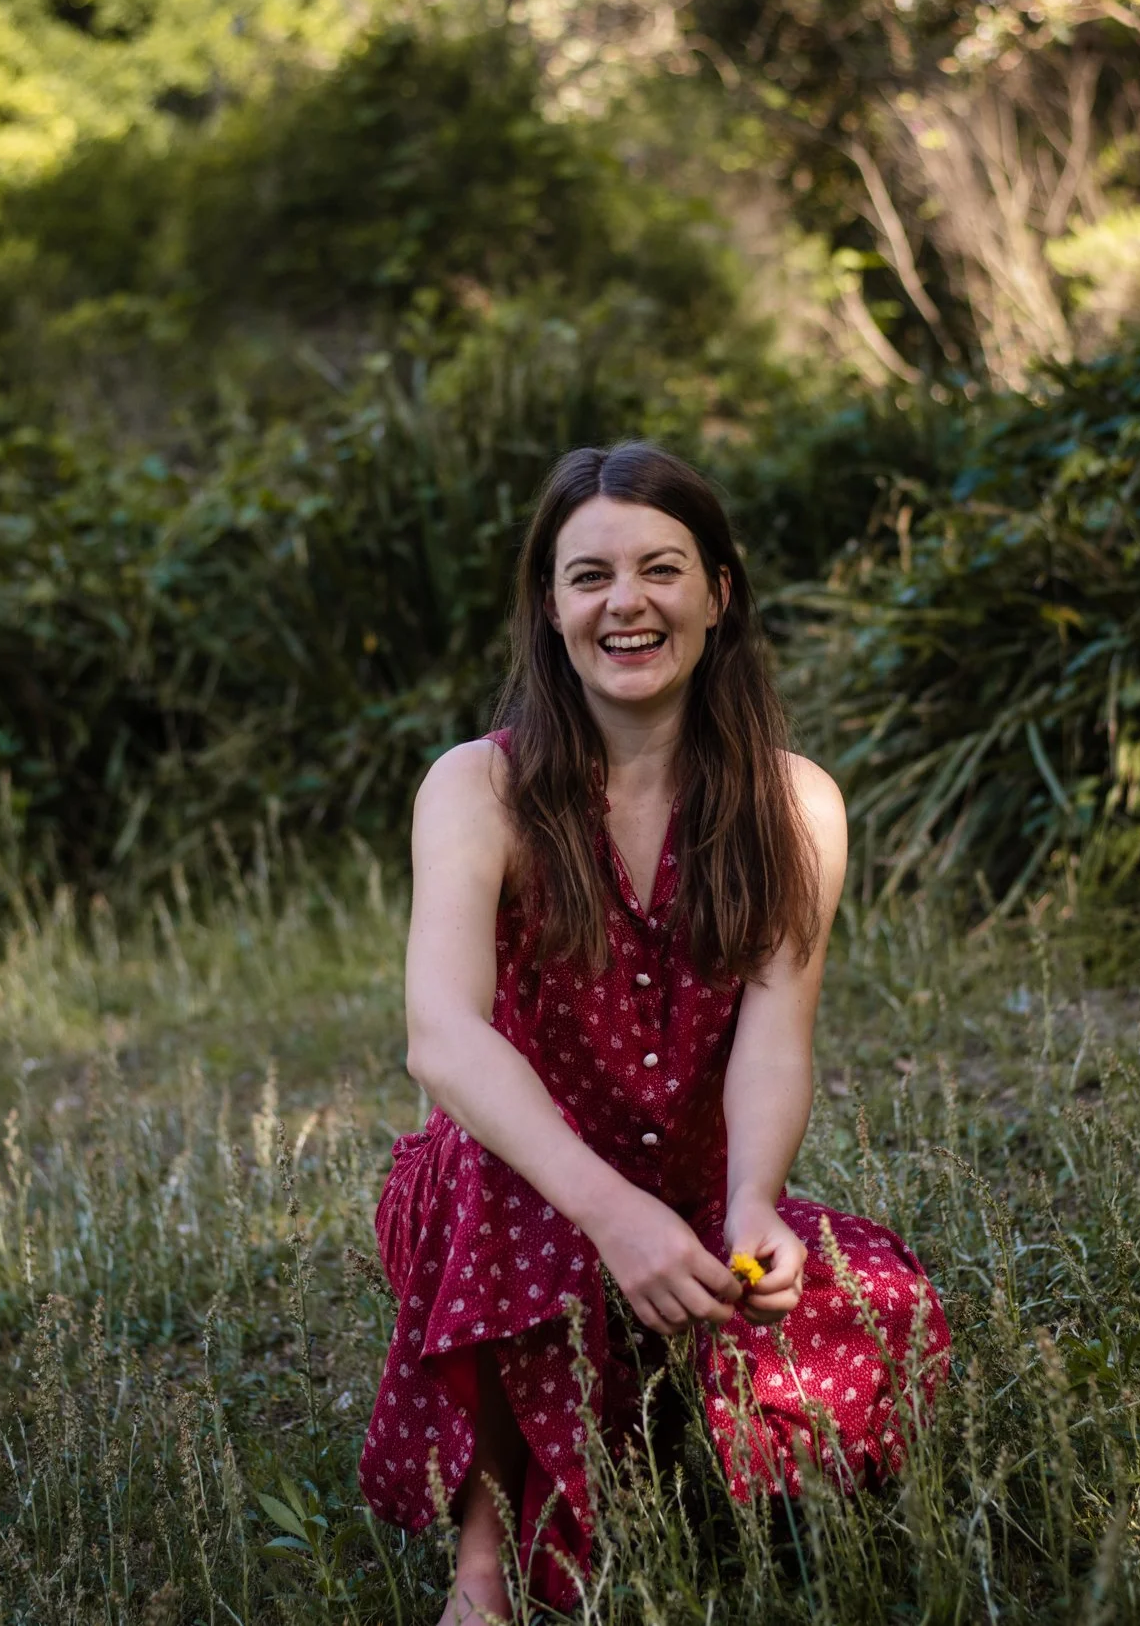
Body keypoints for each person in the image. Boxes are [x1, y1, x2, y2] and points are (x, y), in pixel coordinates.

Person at [359, 442, 950, 1624]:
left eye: (660, 568)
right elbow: (443, 1039)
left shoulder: (794, 802)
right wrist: (609, 1209)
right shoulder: (478, 788)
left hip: (686, 1191)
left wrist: (749, 1206)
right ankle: (484, 1562)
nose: (624, 601)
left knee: (874, 1297)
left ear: (719, 593)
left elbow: (776, 1041)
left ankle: (706, 1436)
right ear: (549, 607)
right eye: (588, 576)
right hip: (508, 1176)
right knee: (514, 1206)